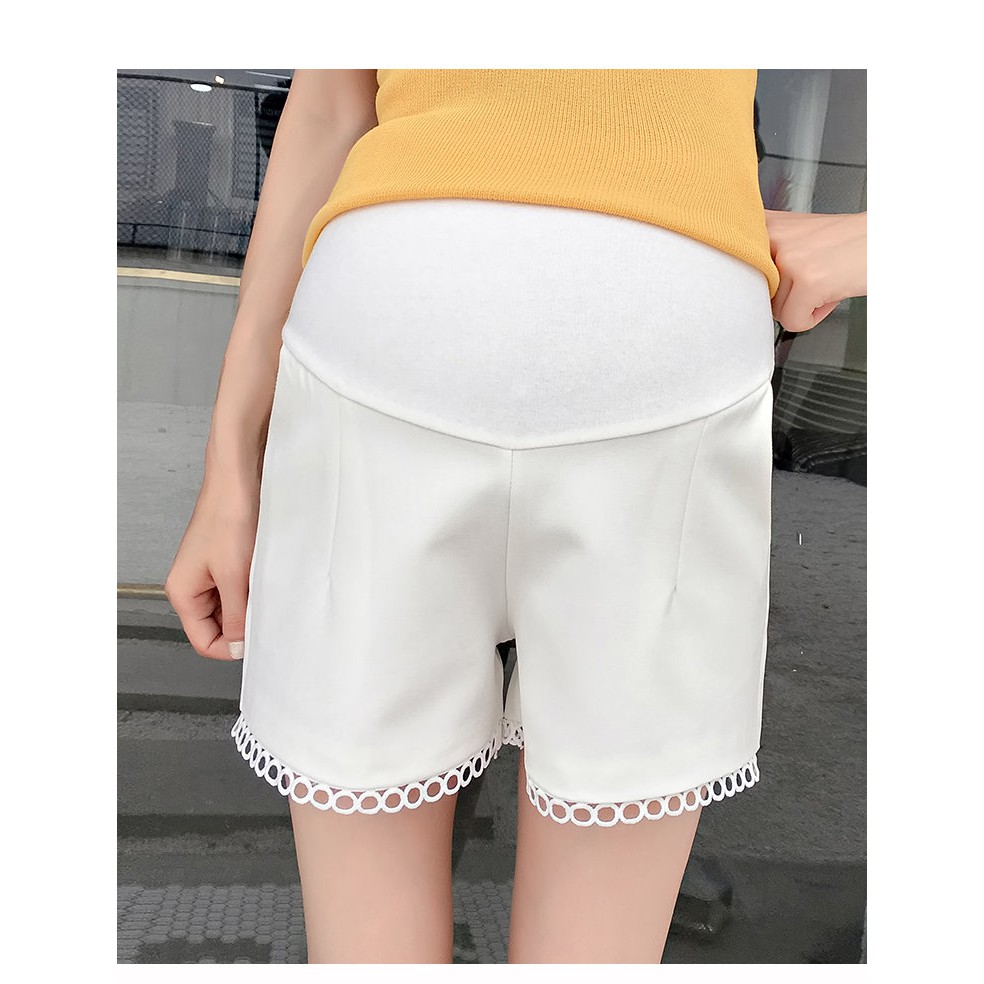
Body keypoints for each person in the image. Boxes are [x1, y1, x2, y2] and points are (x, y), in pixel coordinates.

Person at [164, 69, 867, 964]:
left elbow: (332, 106)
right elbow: (332, 107)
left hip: (390, 330)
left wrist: (232, 461)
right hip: (660, 344)